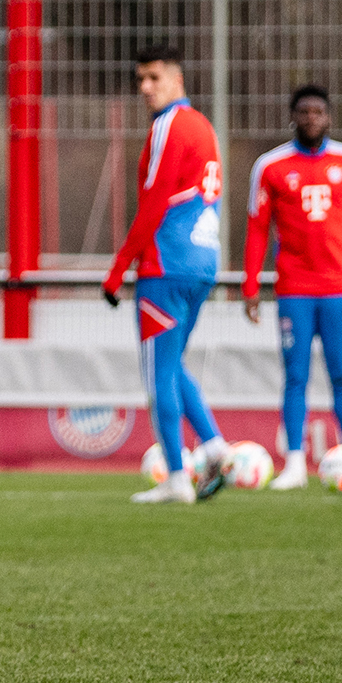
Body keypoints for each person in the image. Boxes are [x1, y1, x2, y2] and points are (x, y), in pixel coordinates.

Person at [102, 45, 233, 504]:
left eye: (153, 78)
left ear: (176, 79)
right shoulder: (203, 126)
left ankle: (177, 478)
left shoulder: (168, 125)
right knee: (173, 364)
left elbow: (154, 201)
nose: (145, 88)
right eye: (140, 79)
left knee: (157, 373)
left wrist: (119, 268)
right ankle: (215, 447)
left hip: (166, 264)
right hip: (202, 263)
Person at [242, 83, 342, 489]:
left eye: (318, 112)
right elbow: (257, 228)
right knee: (295, 376)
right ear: (292, 116)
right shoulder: (271, 166)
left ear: (329, 117)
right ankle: (294, 463)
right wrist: (250, 284)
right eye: (304, 111)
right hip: (294, 289)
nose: (312, 118)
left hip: (339, 288)